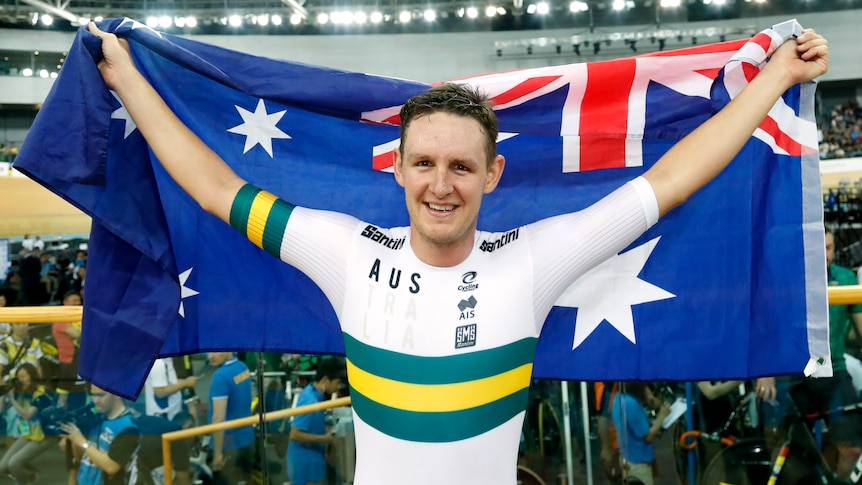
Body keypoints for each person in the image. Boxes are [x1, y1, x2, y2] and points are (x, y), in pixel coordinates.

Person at [87, 21, 829, 485]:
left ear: (492, 175)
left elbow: (670, 178)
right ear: (399, 167)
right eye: (425, 164)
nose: (441, 185)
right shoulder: (342, 251)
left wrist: (776, 77)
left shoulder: (534, 258)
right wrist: (125, 76)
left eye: (462, 166)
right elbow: (216, 186)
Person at [60, 384, 140, 485]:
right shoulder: (96, 419)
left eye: (101, 396)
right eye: (93, 395)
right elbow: (81, 458)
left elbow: (111, 467)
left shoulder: (129, 427)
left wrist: (82, 441)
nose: (95, 400)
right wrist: (75, 439)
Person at [287, 357, 344, 485]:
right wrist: (326, 439)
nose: (338, 387)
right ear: (325, 380)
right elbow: (295, 434)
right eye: (337, 382)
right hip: (306, 468)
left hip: (312, 462)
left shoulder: (313, 393)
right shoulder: (310, 401)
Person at [0, 363, 53, 484]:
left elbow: (27, 415)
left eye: (24, 376)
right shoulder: (21, 391)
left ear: (32, 376)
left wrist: (12, 400)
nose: (21, 380)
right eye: (19, 377)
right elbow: (1, 410)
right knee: (3, 467)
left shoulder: (41, 393)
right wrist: (4, 394)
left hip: (45, 436)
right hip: (29, 433)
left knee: (14, 463)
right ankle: (29, 474)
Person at [611, 382, 670, 485]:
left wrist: (648, 398)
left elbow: (634, 429)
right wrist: (662, 416)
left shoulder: (619, 398)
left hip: (628, 457)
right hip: (637, 462)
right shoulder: (631, 404)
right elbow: (647, 436)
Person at [207, 352, 254, 484]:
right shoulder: (242, 367)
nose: (212, 355)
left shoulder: (220, 377)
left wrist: (217, 454)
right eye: (209, 351)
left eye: (216, 351)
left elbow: (218, 419)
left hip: (228, 447)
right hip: (247, 440)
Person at [53, 290, 86, 411]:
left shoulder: (77, 318)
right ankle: (59, 413)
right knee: (64, 393)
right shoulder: (62, 319)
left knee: (79, 391)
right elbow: (76, 334)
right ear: (65, 302)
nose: (77, 303)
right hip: (69, 361)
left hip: (79, 361)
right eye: (74, 301)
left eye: (79, 301)